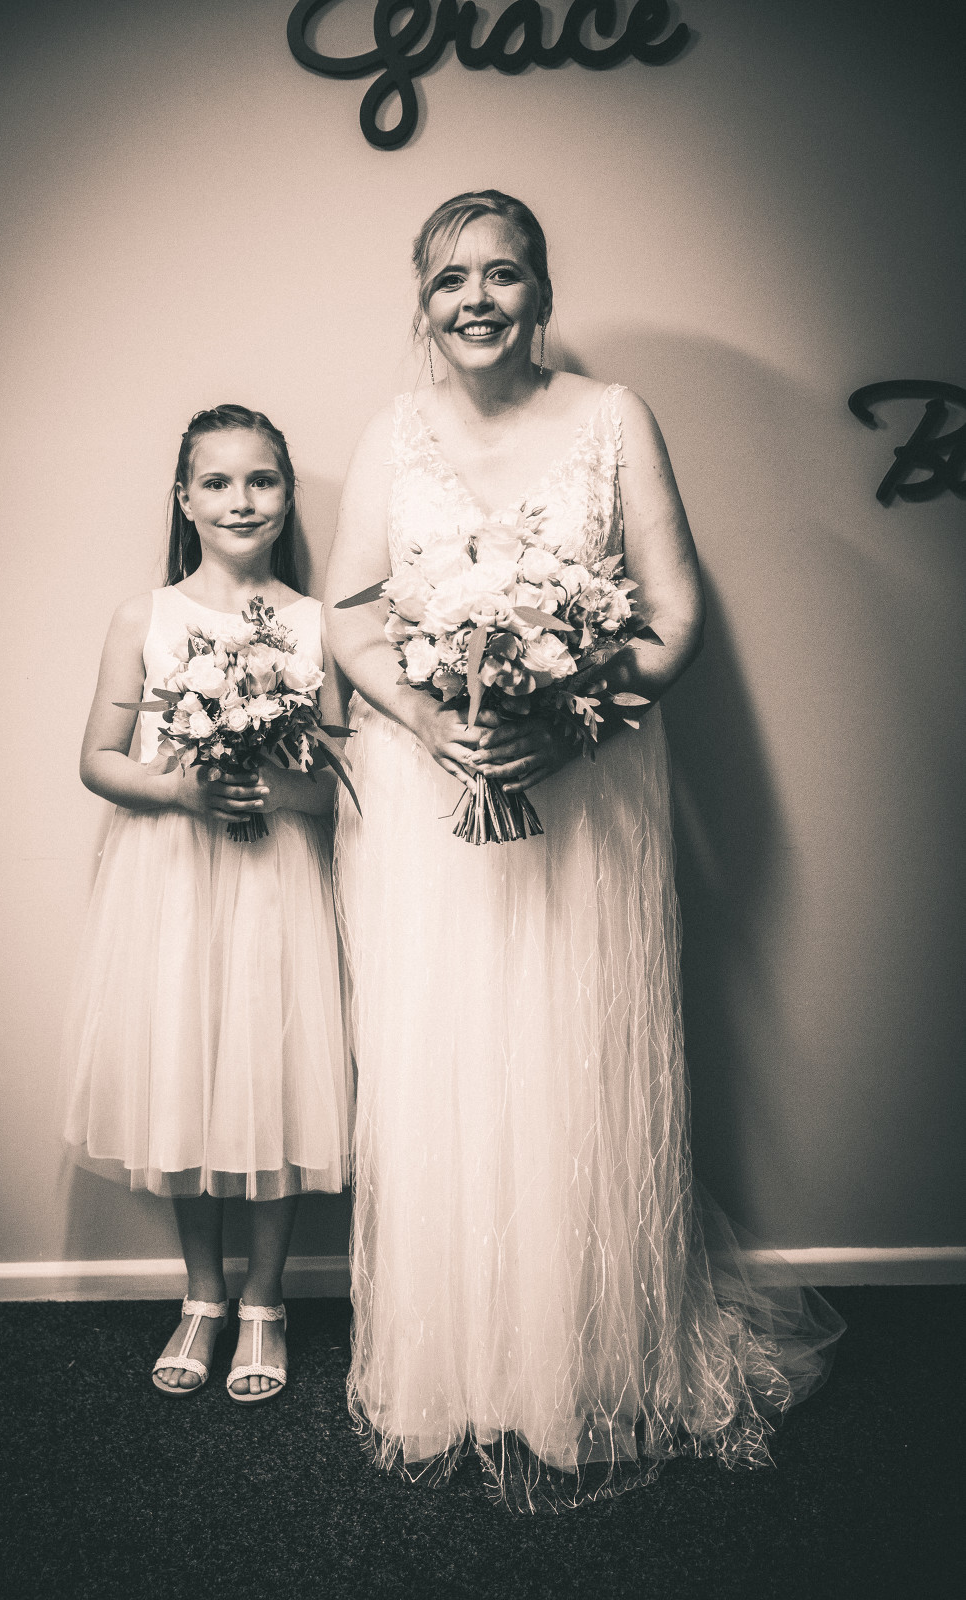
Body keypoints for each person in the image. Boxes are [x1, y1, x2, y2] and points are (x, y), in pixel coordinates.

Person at [327, 192, 841, 1507]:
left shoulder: (612, 419)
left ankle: (587, 1361)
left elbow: (671, 617)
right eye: (451, 278)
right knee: (450, 1063)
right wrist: (436, 723)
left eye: (504, 273)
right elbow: (348, 618)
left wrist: (567, 727)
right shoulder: (391, 434)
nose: (477, 298)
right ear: (422, 302)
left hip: (589, 794)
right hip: (433, 802)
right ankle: (465, 1364)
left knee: (569, 1055)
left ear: (541, 293)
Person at [63, 404, 351, 1403]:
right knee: (183, 1069)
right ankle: (202, 1295)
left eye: (261, 480)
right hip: (174, 882)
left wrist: (276, 784)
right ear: (184, 499)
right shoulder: (142, 618)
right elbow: (98, 759)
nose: (240, 500)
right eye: (217, 482)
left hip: (276, 885)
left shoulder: (317, 625)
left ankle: (265, 1301)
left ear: (286, 495)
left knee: (273, 1076)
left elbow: (342, 786)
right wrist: (183, 789)